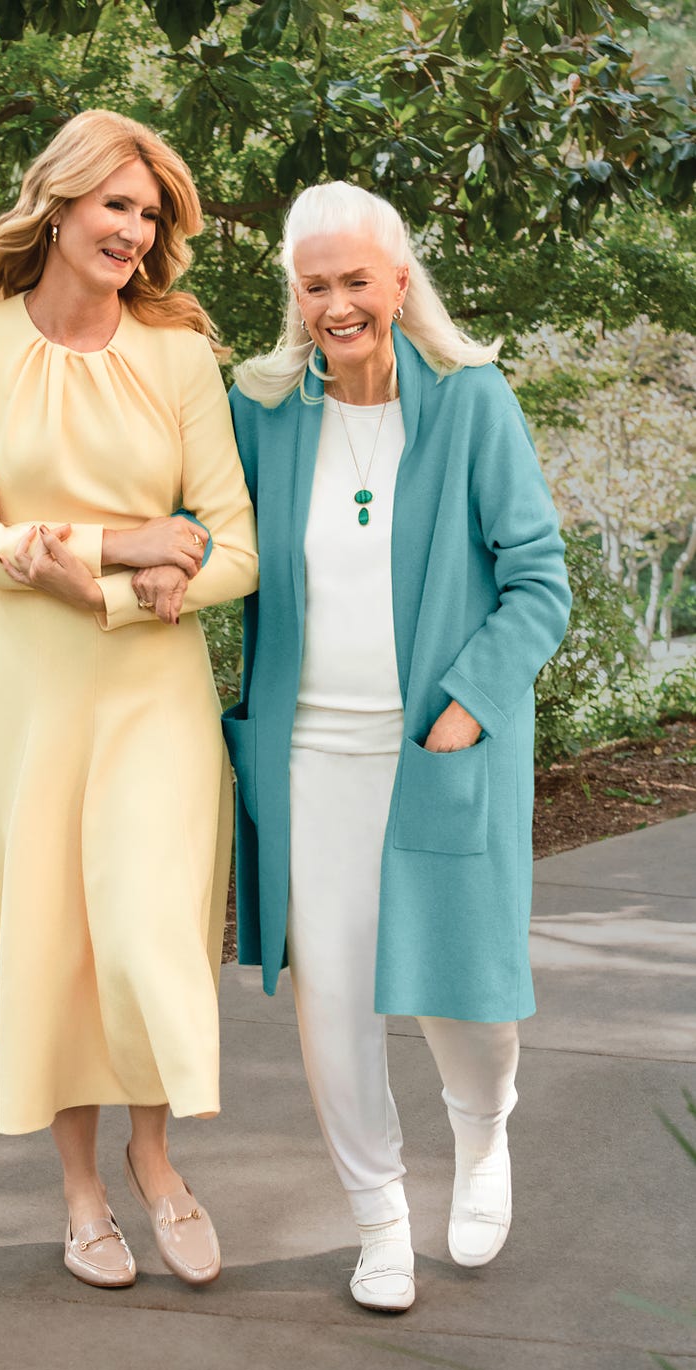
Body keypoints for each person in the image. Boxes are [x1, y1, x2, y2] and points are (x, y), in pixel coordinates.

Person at [0, 109, 258, 1291]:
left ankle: (157, 1161)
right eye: (115, 204)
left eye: (149, 213)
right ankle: (81, 1194)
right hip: (24, 698)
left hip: (152, 695)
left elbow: (232, 551)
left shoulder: (177, 357)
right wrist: (125, 540)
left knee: (142, 933)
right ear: (58, 205)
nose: (132, 229)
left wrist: (115, 594)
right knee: (58, 950)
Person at [222, 182, 570, 1312]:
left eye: (354, 281)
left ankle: (482, 1133)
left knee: (458, 993)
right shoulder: (262, 410)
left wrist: (464, 704)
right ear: (295, 294)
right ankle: (377, 1219)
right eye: (314, 285)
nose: (335, 305)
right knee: (333, 994)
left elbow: (536, 582)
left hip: (432, 745)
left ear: (397, 281)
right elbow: (213, 535)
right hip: (308, 752)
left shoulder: (469, 402)